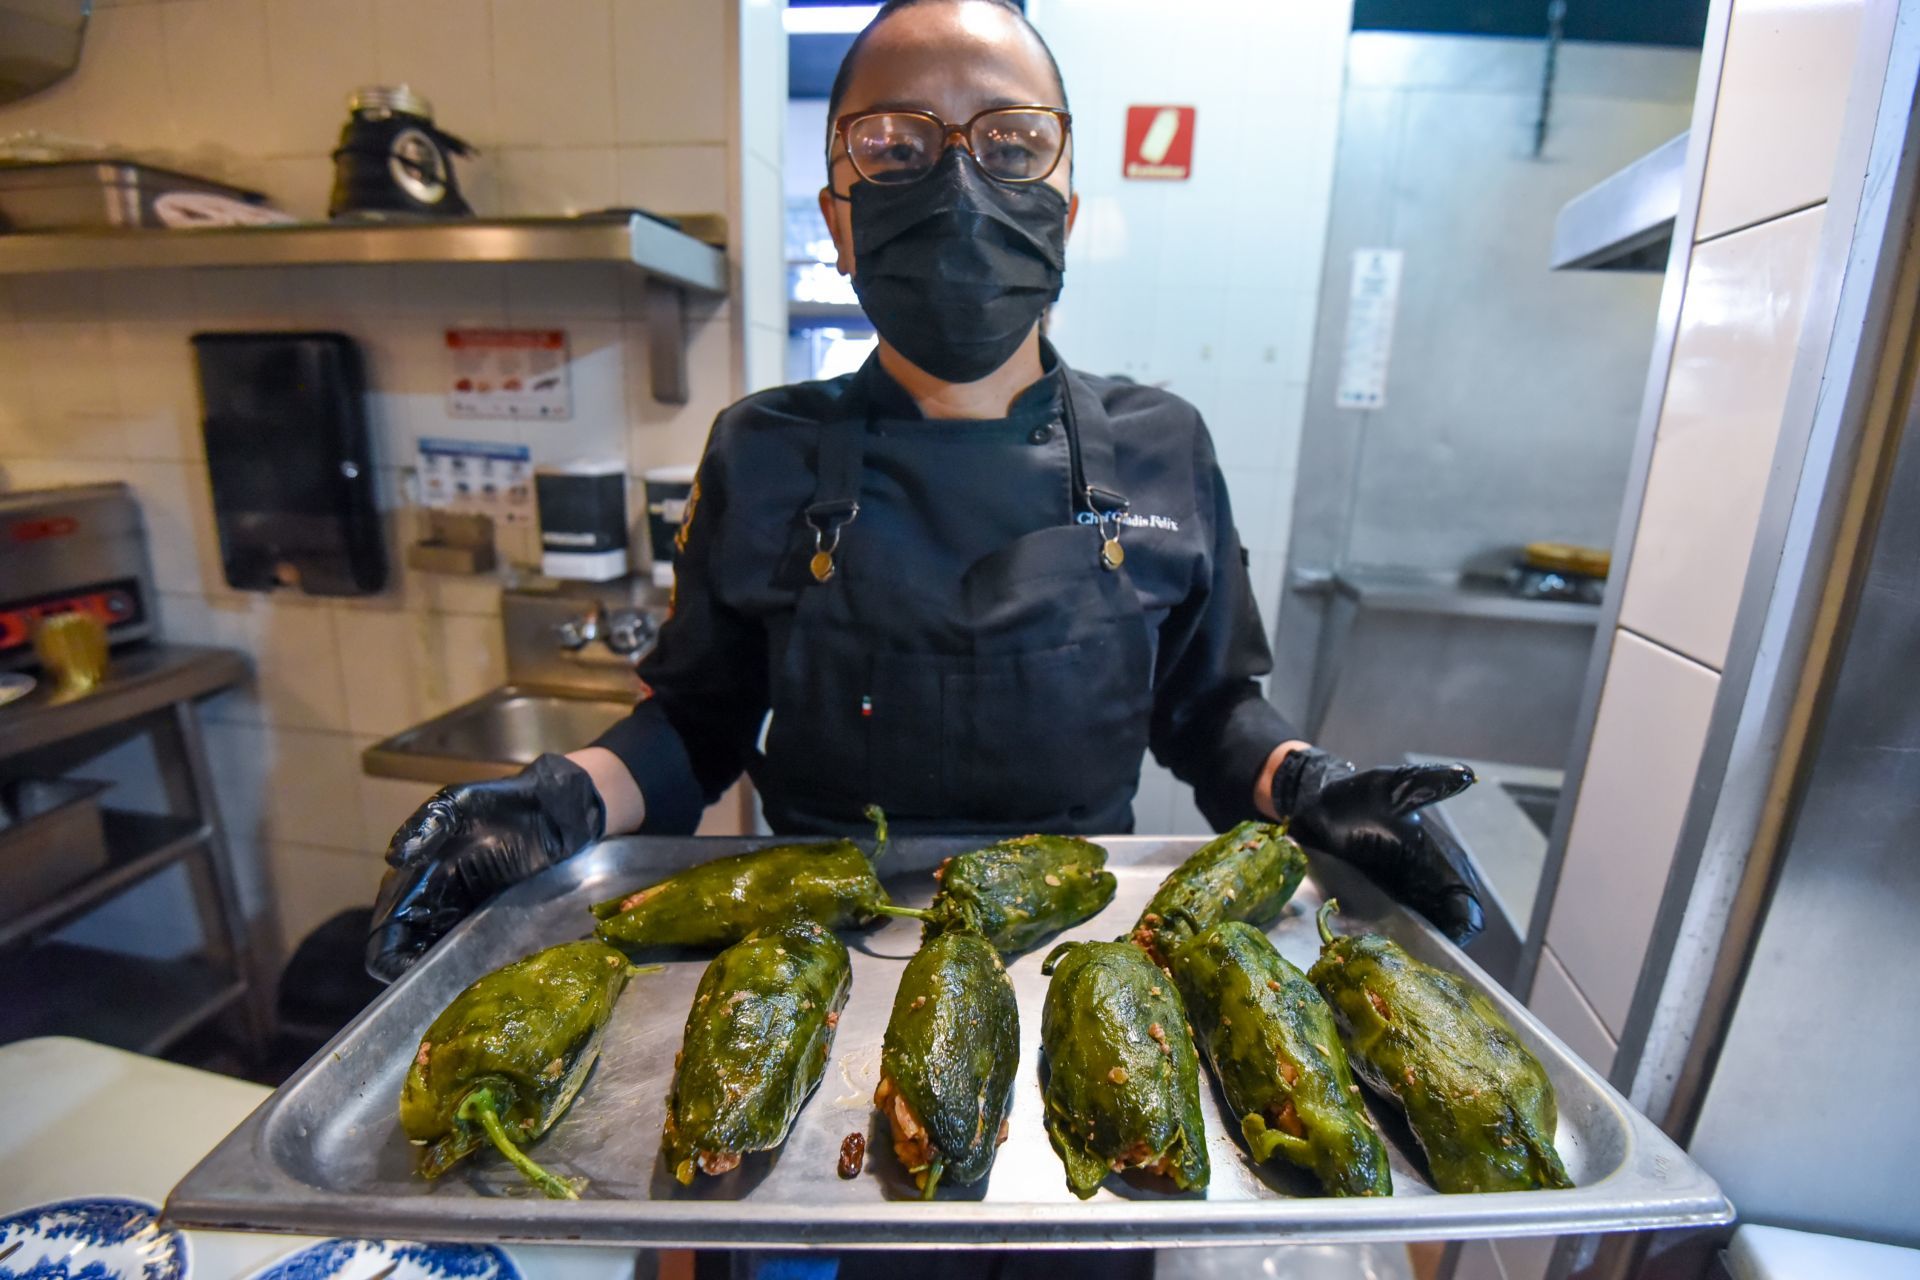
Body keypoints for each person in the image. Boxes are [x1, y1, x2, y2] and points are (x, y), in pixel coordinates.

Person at [365, 0, 1484, 984]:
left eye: (1011, 142)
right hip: (811, 957)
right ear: (842, 217)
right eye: (896, 148)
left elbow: (1205, 716)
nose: (957, 183)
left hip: (1086, 959)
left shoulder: (1164, 446)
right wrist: (556, 801)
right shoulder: (761, 450)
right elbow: (698, 728)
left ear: (1065, 210)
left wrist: (1311, 788)